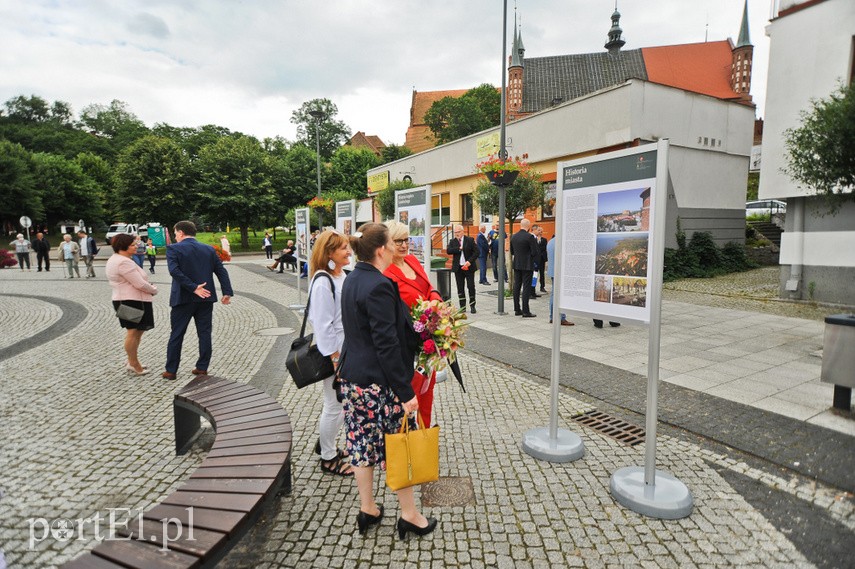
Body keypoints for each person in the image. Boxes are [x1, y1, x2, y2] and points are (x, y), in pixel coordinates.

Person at [339, 222, 437, 540]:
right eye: (393, 244)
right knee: (399, 447)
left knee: (361, 444)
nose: (398, 247)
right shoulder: (379, 285)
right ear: (381, 249)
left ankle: (368, 508)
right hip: (378, 384)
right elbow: (386, 344)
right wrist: (405, 391)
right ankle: (409, 515)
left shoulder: (352, 278)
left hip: (353, 379)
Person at [383, 221, 443, 427]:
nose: (404, 245)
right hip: (408, 343)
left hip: (427, 341)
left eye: (406, 240)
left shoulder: (412, 260)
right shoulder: (385, 272)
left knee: (427, 392)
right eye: (397, 241)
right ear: (387, 243)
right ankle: (405, 438)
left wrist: (435, 300)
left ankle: (424, 436)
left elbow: (429, 287)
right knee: (411, 395)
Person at [306, 230, 354, 477]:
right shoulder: (323, 281)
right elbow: (322, 324)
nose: (349, 251)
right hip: (335, 351)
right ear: (329, 253)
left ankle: (328, 443)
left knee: (342, 402)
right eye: (343, 248)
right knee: (334, 404)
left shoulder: (342, 274)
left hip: (347, 348)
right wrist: (335, 359)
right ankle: (328, 457)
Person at [162, 220, 234, 381]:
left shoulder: (173, 249)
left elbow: (174, 271)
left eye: (175, 233)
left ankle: (171, 371)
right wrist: (227, 292)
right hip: (205, 298)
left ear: (181, 233)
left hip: (183, 298)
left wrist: (193, 287)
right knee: (205, 333)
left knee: (177, 334)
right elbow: (221, 271)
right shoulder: (208, 249)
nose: (175, 237)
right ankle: (202, 367)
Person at [106, 233, 158, 375]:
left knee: (136, 332)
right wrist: (153, 289)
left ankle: (132, 360)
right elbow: (139, 283)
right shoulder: (123, 262)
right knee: (133, 332)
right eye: (133, 245)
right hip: (131, 301)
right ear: (123, 246)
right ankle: (134, 364)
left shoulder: (119, 259)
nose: (136, 247)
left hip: (129, 299)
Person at [510, 218, 538, 318]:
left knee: (516, 286)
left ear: (520, 225)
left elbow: (512, 251)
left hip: (517, 264)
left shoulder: (514, 236)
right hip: (527, 265)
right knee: (526, 287)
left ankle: (517, 309)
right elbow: (534, 252)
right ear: (529, 226)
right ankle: (526, 311)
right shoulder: (530, 237)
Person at [446, 225, 478, 314]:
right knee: (460, 288)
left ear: (463, 231)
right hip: (458, 268)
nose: (457, 234)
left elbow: (476, 252)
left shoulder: (470, 240)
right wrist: (458, 249)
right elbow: (448, 251)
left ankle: (472, 305)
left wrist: (469, 261)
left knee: (471, 286)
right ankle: (462, 307)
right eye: (455, 232)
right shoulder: (453, 241)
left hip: (468, 267)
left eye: (458, 232)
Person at [546, 236, 574, 326]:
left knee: (554, 294)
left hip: (553, 272)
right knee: (560, 295)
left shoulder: (550, 242)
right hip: (560, 273)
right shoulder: (562, 242)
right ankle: (561, 318)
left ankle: (552, 317)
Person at [535, 226, 548, 293]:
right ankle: (533, 287)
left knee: (542, 274)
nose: (540, 232)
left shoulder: (544, 240)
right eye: (539, 230)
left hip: (542, 259)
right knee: (534, 274)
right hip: (535, 260)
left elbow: (544, 248)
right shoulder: (534, 239)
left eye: (541, 231)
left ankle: (542, 287)